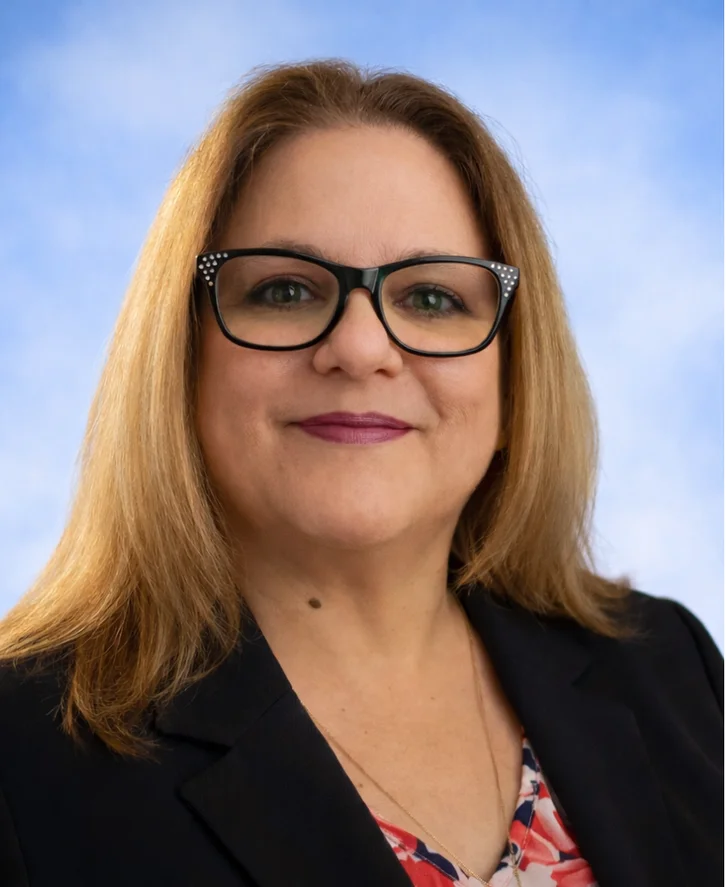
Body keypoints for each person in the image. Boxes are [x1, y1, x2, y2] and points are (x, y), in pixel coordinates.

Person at [0, 58, 721, 887]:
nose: (360, 348)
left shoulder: (674, 668)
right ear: (180, 355)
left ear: (516, 371)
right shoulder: (20, 759)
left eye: (432, 298)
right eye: (284, 290)